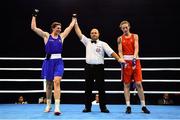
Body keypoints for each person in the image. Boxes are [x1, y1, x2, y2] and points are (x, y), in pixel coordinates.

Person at [31, 9, 76, 115]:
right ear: (53, 28)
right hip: (48, 62)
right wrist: (34, 15)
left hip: (59, 62)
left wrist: (74, 19)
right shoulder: (47, 35)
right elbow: (33, 28)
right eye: (58, 28)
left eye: (60, 28)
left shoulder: (62, 36)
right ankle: (48, 105)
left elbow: (69, 27)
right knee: (49, 85)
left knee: (57, 81)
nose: (60, 29)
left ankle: (57, 107)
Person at [74, 19, 125, 113]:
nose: (93, 34)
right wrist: (75, 22)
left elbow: (111, 52)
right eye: (92, 33)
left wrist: (119, 59)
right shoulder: (87, 41)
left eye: (95, 33)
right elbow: (78, 32)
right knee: (87, 89)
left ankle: (103, 107)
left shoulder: (103, 44)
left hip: (99, 68)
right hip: (88, 67)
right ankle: (87, 107)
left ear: (98, 34)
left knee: (101, 89)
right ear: (90, 34)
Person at [117, 20, 150, 114]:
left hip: (136, 61)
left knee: (139, 84)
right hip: (126, 62)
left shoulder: (135, 36)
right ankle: (128, 106)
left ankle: (143, 106)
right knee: (126, 84)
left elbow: (136, 48)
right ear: (121, 29)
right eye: (123, 28)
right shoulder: (119, 38)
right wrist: (122, 60)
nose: (125, 29)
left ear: (129, 27)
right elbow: (120, 51)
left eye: (126, 27)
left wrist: (134, 58)